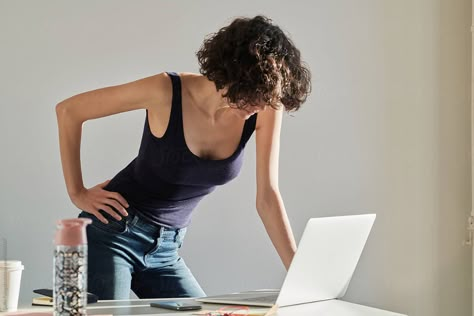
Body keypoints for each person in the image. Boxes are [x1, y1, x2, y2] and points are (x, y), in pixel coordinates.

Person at [55, 15, 311, 300]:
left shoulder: (264, 108)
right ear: (234, 73)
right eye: (256, 94)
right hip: (113, 234)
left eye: (268, 97)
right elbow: (69, 111)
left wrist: (300, 276)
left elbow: (267, 197)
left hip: (166, 251)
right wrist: (77, 192)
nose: (261, 105)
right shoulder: (165, 91)